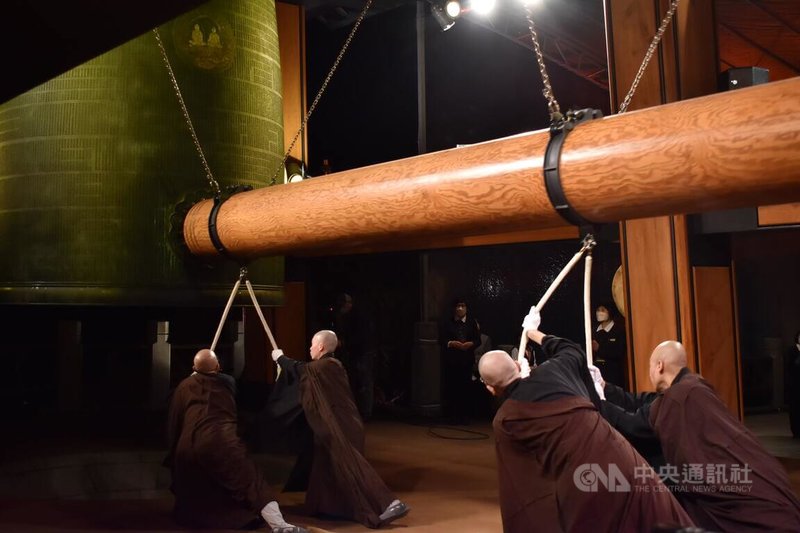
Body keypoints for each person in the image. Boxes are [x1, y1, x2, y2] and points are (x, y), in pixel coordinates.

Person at [479, 307, 693, 533]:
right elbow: (571, 350)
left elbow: (521, 481)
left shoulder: (506, 420)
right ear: (516, 364)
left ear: (490, 388)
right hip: (624, 460)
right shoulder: (554, 370)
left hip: (584, 482)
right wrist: (534, 333)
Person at [601, 340, 800, 532]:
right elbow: (644, 402)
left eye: (650, 367)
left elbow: (632, 425)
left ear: (659, 366)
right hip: (764, 478)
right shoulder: (694, 385)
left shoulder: (678, 397)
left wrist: (595, 401)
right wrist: (606, 389)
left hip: (739, 497)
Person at [271, 330, 409, 528]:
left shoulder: (326, 366)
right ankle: (324, 507)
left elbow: (300, 369)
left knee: (351, 465)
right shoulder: (330, 366)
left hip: (340, 426)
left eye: (312, 344)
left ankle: (390, 502)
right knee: (325, 464)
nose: (309, 348)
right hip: (336, 424)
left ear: (320, 347)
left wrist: (281, 359)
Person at [165, 349, 307, 533]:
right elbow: (225, 380)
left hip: (189, 444)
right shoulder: (227, 383)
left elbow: (174, 420)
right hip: (222, 442)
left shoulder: (184, 387)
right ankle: (279, 525)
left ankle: (206, 518)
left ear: (193, 368)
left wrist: (173, 450)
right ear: (218, 367)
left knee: (197, 481)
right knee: (251, 482)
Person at [439, 297, 481, 423]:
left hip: (466, 360)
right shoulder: (447, 322)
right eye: (458, 306)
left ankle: (465, 416)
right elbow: (442, 339)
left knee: (465, 388)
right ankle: (452, 416)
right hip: (451, 361)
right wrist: (451, 343)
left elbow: (478, 340)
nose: (460, 308)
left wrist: (471, 344)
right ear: (454, 308)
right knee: (452, 387)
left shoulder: (472, 323)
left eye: (463, 306)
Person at [591, 303, 627, 388]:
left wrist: (599, 348)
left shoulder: (618, 330)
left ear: (610, 311)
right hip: (597, 372)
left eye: (603, 310)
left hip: (613, 373)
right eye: (598, 310)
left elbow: (618, 352)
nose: (599, 313)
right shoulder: (593, 330)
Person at [789, 330, 800, 438]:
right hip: (795, 384)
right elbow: (792, 365)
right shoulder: (792, 350)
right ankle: (796, 431)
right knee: (795, 408)